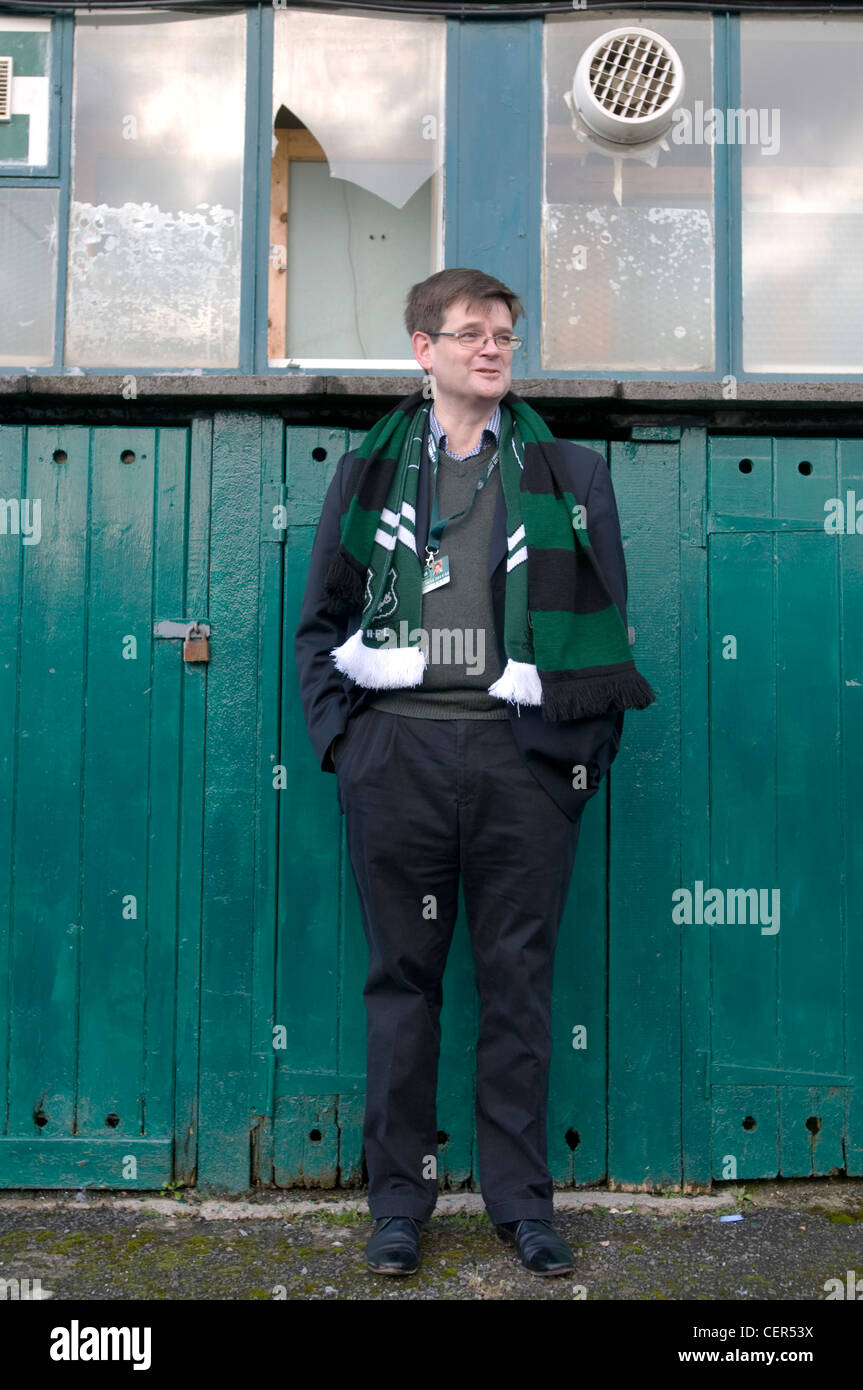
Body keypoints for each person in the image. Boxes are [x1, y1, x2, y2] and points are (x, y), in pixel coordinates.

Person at [294, 267, 654, 1277]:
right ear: (423, 349)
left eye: (503, 333)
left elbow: (607, 635)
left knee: (519, 988)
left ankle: (520, 1206)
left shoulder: (569, 473)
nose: (491, 347)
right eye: (469, 333)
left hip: (519, 762)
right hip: (396, 757)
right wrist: (344, 743)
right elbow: (320, 621)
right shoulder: (368, 473)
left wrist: (570, 765)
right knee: (399, 988)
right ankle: (398, 1206)